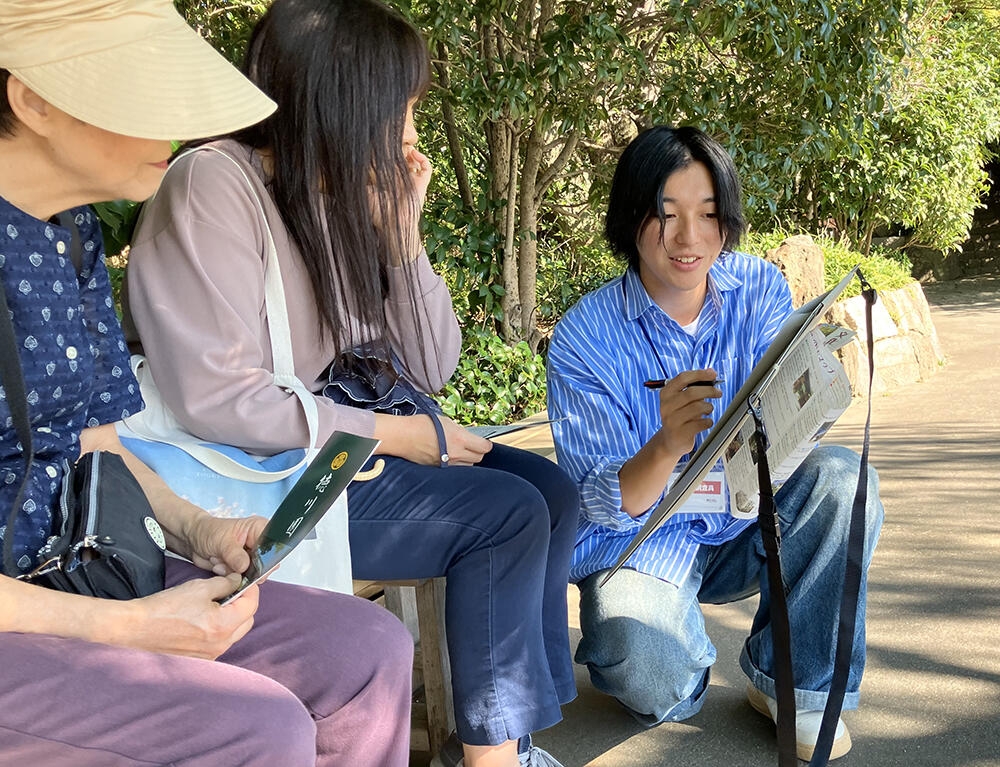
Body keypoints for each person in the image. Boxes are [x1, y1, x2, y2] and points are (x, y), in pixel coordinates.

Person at [123, 1, 579, 765]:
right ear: (343, 99)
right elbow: (218, 400)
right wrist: (397, 434)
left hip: (311, 447)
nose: (410, 132)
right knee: (506, 514)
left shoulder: (333, 197)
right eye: (401, 106)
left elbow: (431, 365)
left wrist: (402, 236)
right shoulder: (213, 186)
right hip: (237, 480)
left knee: (551, 490)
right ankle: (494, 754)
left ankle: (514, 733)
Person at [0, 1, 414, 765]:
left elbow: (95, 446)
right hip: (28, 611)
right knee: (257, 727)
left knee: (364, 651)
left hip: (79, 564)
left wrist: (200, 530)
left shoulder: (70, 231)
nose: (174, 125)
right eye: (146, 94)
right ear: (34, 100)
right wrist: (129, 629)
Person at [546, 125, 884, 761]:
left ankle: (794, 685)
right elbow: (600, 501)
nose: (689, 238)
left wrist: (815, 390)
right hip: (643, 541)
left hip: (746, 518)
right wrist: (666, 444)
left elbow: (786, 422)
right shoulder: (583, 337)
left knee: (843, 481)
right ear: (631, 218)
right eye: (666, 214)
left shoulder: (758, 287)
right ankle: (680, 662)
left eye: (707, 214)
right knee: (642, 663)